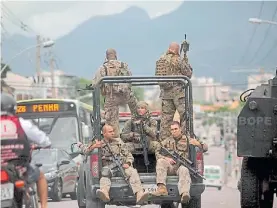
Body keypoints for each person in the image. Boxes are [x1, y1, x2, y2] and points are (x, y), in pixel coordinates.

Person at [0, 93, 51, 208]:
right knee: (41, 176)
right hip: (19, 169)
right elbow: (44, 140)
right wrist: (46, 144)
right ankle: (44, 206)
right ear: (13, 108)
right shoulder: (22, 123)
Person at [77, 124, 149, 205]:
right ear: (104, 133)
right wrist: (94, 146)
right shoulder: (98, 142)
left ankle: (139, 194)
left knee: (132, 172)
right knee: (105, 174)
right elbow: (85, 151)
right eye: (110, 132)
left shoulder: (118, 142)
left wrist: (128, 163)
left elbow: (129, 155)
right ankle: (104, 192)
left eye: (113, 131)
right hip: (109, 168)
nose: (113, 133)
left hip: (121, 166)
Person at [92, 48, 138, 137]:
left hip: (112, 97)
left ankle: (115, 139)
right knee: (138, 113)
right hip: (126, 95)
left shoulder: (103, 68)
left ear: (106, 56)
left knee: (111, 122)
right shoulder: (123, 65)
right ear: (116, 55)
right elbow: (130, 78)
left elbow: (95, 84)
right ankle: (138, 131)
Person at [152, 121, 197, 204]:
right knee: (160, 161)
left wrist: (198, 143)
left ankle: (184, 194)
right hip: (171, 167)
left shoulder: (187, 140)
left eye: (176, 129)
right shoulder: (166, 141)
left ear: (180, 129)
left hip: (181, 166)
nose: (174, 131)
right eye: (172, 129)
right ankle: (162, 188)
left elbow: (204, 147)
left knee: (184, 170)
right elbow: (157, 152)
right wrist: (166, 158)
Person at [155, 42, 193, 142]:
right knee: (185, 116)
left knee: (166, 120)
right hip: (178, 94)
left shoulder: (160, 60)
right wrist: (185, 61)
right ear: (176, 50)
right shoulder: (178, 60)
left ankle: (165, 143)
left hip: (165, 94)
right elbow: (188, 73)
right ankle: (184, 139)